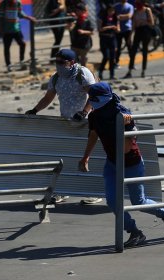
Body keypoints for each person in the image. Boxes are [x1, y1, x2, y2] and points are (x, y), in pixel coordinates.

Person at [78, 81, 164, 248]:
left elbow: (127, 147)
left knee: (139, 202)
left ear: (106, 98)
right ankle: (135, 232)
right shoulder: (94, 115)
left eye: (95, 98)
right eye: (91, 98)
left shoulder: (122, 114)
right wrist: (85, 157)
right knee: (112, 201)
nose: (92, 101)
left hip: (131, 162)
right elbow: (93, 134)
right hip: (112, 162)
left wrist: (122, 127)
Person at [25, 49, 100, 205]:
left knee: (87, 157)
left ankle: (93, 191)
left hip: (86, 123)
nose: (58, 65)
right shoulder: (56, 77)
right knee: (64, 158)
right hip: (66, 123)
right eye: (56, 62)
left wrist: (84, 112)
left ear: (71, 62)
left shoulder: (83, 74)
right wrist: (35, 110)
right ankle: (63, 191)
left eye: (61, 62)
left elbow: (94, 96)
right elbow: (48, 97)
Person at [0, 0, 36, 72]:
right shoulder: (3, 4)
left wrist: (29, 18)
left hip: (16, 29)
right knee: (7, 47)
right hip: (6, 30)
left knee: (22, 44)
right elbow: (0, 16)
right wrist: (1, 29)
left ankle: (21, 61)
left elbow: (20, 13)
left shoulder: (18, 3)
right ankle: (8, 65)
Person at [124, 0, 154, 78]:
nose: (138, 5)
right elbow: (133, 24)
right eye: (136, 4)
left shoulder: (147, 10)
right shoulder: (135, 11)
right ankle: (130, 70)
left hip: (146, 31)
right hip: (138, 31)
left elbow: (152, 23)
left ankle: (143, 70)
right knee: (133, 51)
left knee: (144, 51)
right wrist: (130, 36)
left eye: (139, 3)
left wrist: (143, 21)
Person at [97, 5, 120, 80]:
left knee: (112, 57)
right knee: (106, 56)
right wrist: (109, 27)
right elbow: (100, 29)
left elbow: (118, 30)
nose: (111, 12)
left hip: (112, 39)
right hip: (104, 38)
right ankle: (100, 72)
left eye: (112, 11)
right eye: (110, 11)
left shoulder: (115, 19)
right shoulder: (102, 18)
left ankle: (112, 74)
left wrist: (116, 28)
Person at [114, 0, 134, 68]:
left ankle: (132, 63)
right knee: (118, 47)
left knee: (129, 46)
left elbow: (129, 16)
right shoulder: (116, 6)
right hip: (119, 29)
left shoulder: (130, 6)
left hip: (127, 28)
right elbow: (115, 16)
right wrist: (122, 17)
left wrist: (120, 16)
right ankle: (116, 62)